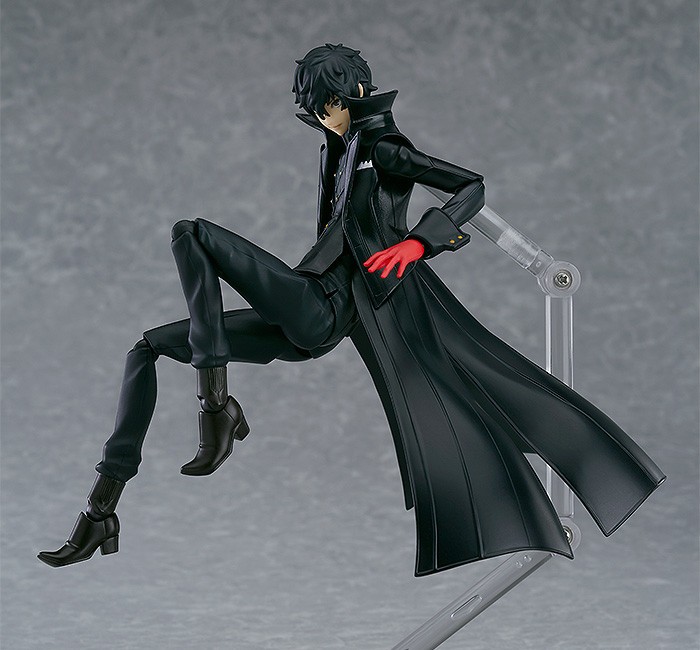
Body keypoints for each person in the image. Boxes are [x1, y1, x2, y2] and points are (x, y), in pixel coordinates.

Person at [39, 44, 664, 576]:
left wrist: (420, 242)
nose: (323, 119)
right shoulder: (337, 149)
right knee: (148, 347)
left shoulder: (383, 146)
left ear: (353, 95)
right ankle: (101, 511)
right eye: (315, 111)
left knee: (192, 233)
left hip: (325, 306)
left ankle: (215, 409)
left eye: (328, 106)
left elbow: (470, 185)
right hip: (306, 305)